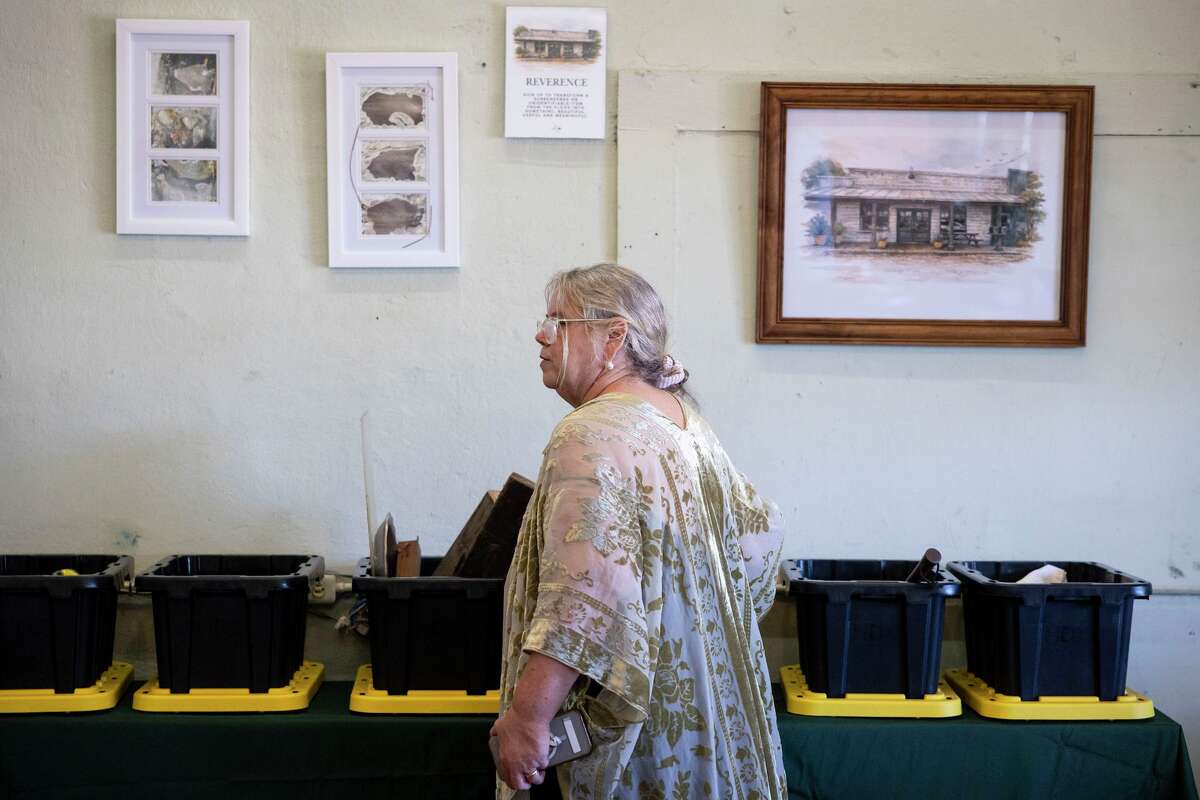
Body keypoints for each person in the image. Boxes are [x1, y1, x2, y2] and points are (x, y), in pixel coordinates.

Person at [490, 264, 787, 799]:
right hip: (709, 719)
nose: (540, 334)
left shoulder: (592, 431)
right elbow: (759, 547)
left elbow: (584, 597)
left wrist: (528, 719)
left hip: (640, 732)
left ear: (614, 336)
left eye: (559, 321)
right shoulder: (687, 426)